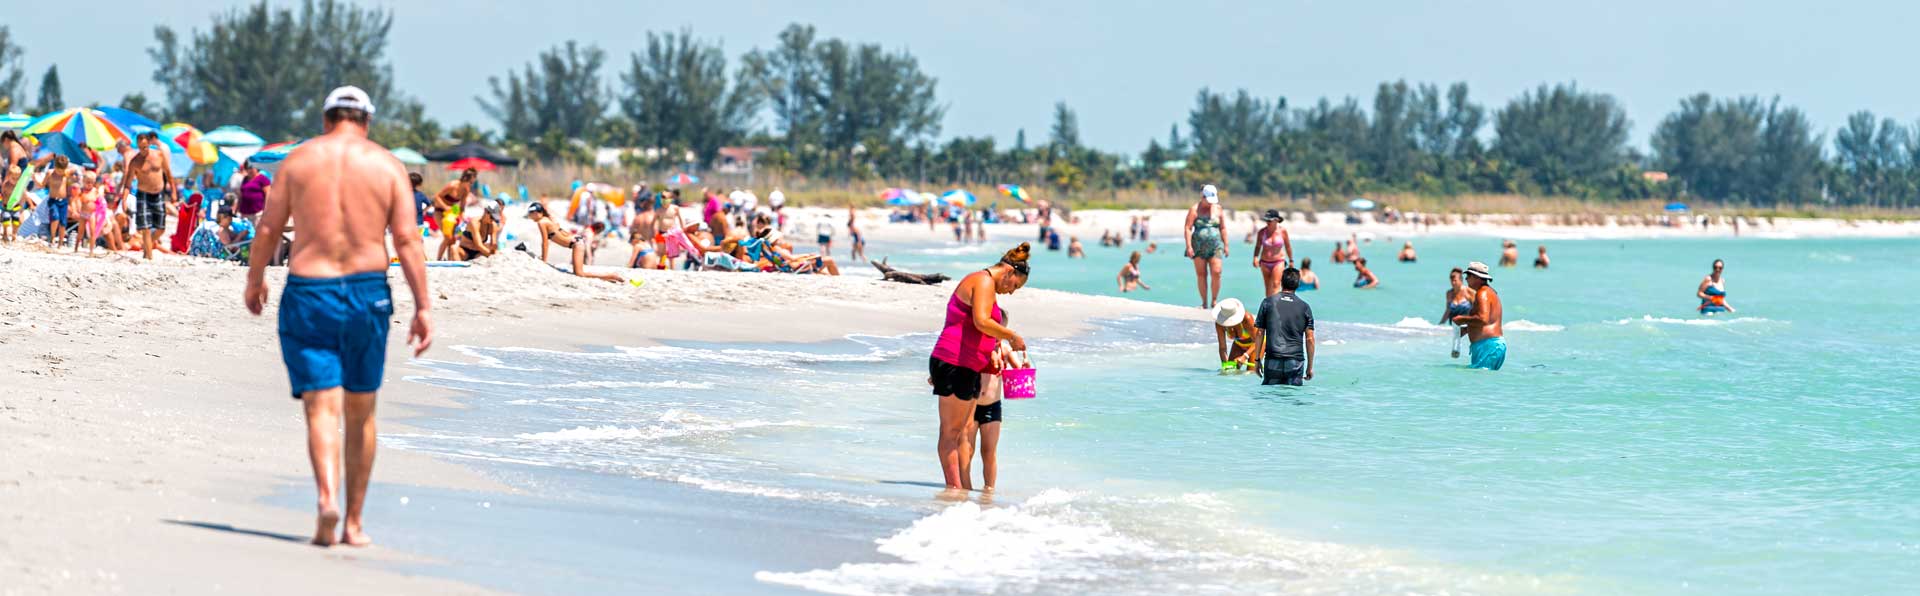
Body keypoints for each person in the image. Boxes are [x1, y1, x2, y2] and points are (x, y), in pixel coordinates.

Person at [243, 86, 432, 547]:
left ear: (327, 120)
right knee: (361, 411)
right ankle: (354, 523)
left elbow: (269, 227)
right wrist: (423, 306)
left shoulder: (299, 162)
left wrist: (255, 280)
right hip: (368, 293)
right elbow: (407, 240)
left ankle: (327, 499)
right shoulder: (387, 166)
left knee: (321, 407)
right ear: (366, 121)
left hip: (310, 290)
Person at [930, 243, 1030, 492]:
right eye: (1014, 285)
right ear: (1008, 272)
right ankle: (954, 490)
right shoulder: (983, 281)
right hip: (954, 361)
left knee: (959, 433)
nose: (1011, 292)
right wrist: (1011, 336)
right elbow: (982, 321)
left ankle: (959, 490)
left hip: (967, 365)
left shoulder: (988, 287)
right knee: (951, 433)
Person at [959, 328, 1015, 493]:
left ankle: (989, 489)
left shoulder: (1004, 350)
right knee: (967, 449)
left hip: (992, 406)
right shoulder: (976, 347)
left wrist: (1023, 366)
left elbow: (1019, 370)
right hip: (971, 405)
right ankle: (964, 486)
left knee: (988, 451)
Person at [527, 202, 628, 284]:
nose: (529, 215)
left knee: (580, 273)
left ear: (538, 212)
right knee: (579, 271)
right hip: (576, 241)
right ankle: (610, 276)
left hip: (576, 243)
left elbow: (545, 242)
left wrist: (544, 261)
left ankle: (611, 276)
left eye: (531, 213)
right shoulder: (548, 219)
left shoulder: (542, 222)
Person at [1253, 268, 1315, 385]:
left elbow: (1260, 333)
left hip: (1272, 360)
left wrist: (1257, 360)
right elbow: (1310, 339)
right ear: (1298, 284)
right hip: (1295, 362)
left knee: (1270, 398)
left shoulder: (1267, 302)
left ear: (1281, 282)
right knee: (1292, 399)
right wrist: (1310, 367)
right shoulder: (1305, 307)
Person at [123, 132, 177, 261]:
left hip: (158, 194)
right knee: (146, 228)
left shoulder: (159, 155)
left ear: (149, 144)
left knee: (160, 229)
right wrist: (124, 201)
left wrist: (174, 191)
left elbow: (168, 174)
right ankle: (149, 257)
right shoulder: (135, 162)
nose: (143, 149)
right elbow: (127, 184)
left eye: (145, 146)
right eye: (141, 147)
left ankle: (146, 245)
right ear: (137, 145)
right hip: (143, 195)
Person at [1452, 262, 1505, 370]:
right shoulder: (1489, 292)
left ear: (1477, 277)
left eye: (1468, 276)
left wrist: (1461, 319)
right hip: (1490, 346)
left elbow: (1483, 319)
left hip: (1488, 346)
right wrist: (1467, 329)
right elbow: (1488, 320)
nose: (1466, 279)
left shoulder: (1483, 293)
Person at [1183, 184, 1227, 309]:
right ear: (1202, 197)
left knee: (1217, 272)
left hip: (1216, 246)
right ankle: (1204, 302)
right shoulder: (1194, 210)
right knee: (1201, 274)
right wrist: (1189, 246)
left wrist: (1226, 244)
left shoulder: (1218, 209)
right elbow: (1187, 228)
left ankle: (1214, 300)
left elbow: (1222, 228)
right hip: (1198, 246)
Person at [432, 169, 477, 261]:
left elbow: (462, 206)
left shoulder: (466, 190)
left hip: (451, 214)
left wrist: (462, 215)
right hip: (439, 212)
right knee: (447, 236)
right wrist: (445, 207)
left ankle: (450, 258)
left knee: (452, 239)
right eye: (471, 182)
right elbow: (436, 197)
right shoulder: (452, 185)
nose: (471, 184)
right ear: (465, 179)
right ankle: (438, 259)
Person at [1212, 298, 1259, 373]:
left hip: (1256, 345)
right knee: (1230, 372)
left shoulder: (1247, 319)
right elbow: (1222, 347)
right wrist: (1225, 364)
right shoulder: (1219, 324)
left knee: (1251, 372)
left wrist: (1244, 356)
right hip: (1238, 344)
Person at [1253, 209, 1293, 297]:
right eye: (1266, 220)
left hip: (1278, 261)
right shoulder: (1262, 232)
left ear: (1277, 220)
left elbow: (1288, 246)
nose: (1267, 222)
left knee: (1276, 284)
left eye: (1270, 220)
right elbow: (1258, 246)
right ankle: (1269, 306)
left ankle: (1275, 305)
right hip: (1264, 262)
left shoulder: (1282, 232)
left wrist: (1291, 260)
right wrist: (1255, 257)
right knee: (1268, 286)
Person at [1441, 268, 1475, 358]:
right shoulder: (1449, 293)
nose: (1453, 282)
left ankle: (1458, 351)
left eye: (1455, 280)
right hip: (1452, 325)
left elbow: (1477, 308)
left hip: (1465, 326)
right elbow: (1448, 310)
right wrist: (1440, 324)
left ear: (1461, 280)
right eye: (1451, 280)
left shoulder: (1469, 292)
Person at [44, 155, 72, 245]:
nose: (60, 173)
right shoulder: (50, 173)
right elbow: (42, 184)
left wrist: (70, 202)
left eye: (62, 171)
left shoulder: (66, 174)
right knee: (55, 218)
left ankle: (60, 242)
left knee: (63, 222)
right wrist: (34, 178)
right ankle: (52, 237)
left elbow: (69, 188)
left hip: (63, 201)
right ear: (55, 167)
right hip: (53, 200)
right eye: (59, 170)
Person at [236, 161, 271, 228]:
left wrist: (266, 210)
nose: (249, 170)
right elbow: (241, 195)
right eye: (248, 168)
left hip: (257, 213)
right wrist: (236, 209)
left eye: (251, 168)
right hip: (244, 212)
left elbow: (268, 195)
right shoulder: (245, 179)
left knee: (257, 232)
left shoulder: (263, 179)